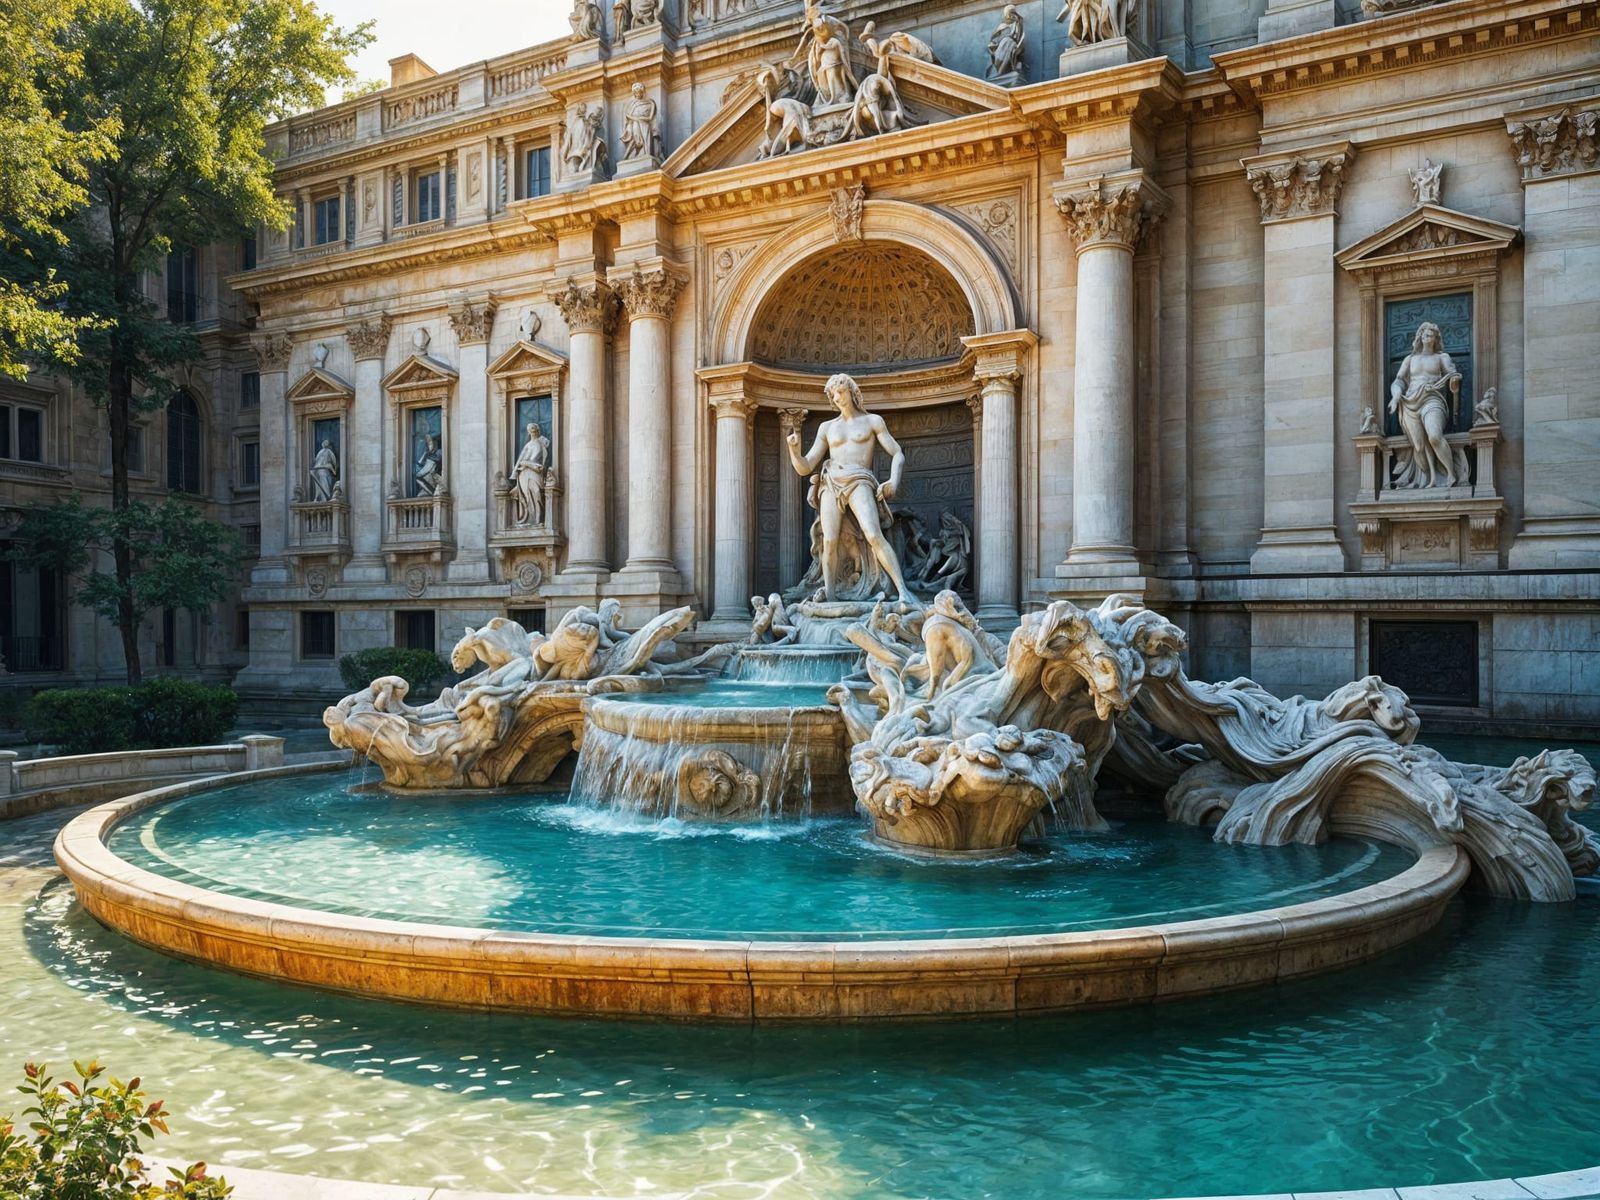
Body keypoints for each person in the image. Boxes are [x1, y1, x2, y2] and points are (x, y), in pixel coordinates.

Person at [785, 373, 916, 603]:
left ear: (852, 391)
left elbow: (897, 453)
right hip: (831, 482)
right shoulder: (827, 428)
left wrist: (893, 481)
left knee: (873, 534)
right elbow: (805, 467)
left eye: (840, 391)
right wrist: (794, 451)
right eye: (833, 394)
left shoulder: (873, 421)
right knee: (829, 541)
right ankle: (831, 596)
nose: (837, 397)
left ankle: (903, 591)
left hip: (860, 479)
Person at [1388, 321, 1461, 488]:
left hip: (1432, 398)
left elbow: (1453, 378)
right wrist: (1395, 397)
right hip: (1410, 402)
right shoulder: (1410, 359)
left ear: (1436, 339)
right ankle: (1428, 479)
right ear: (1419, 337)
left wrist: (1454, 381)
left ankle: (1450, 474)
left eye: (1430, 335)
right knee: (1419, 447)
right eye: (1423, 334)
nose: (1426, 337)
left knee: (1434, 436)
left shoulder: (1441, 357)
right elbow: (1398, 381)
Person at [512, 422, 550, 526]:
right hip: (524, 474)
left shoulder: (543, 443)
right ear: (529, 432)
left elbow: (539, 462)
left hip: (535, 473)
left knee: (537, 493)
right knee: (526, 496)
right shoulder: (527, 446)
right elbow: (521, 461)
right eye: (530, 429)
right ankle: (528, 518)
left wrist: (526, 464)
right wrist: (523, 465)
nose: (532, 430)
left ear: (537, 430)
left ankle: (539, 519)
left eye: (534, 428)